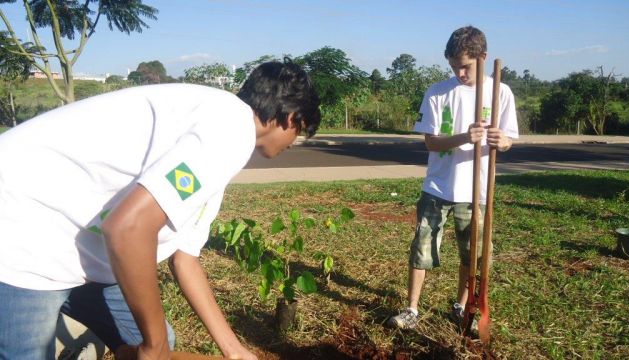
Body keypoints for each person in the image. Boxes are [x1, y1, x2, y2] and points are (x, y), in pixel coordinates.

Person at [0, 59, 320, 359]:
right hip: (25, 235)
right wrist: (154, 348)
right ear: (291, 118)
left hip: (85, 252)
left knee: (158, 339)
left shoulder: (213, 133)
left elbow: (185, 258)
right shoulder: (230, 128)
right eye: (300, 131)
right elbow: (128, 228)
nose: (294, 142)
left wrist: (233, 350)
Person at [389, 26, 519, 330]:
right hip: (438, 186)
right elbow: (430, 142)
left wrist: (502, 141)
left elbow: (509, 138)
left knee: (471, 254)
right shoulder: (437, 92)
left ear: (483, 58)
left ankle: (462, 305)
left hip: (478, 191)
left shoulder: (500, 91)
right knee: (421, 249)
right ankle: (411, 309)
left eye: (466, 66)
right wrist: (463, 136)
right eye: (454, 66)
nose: (459, 72)